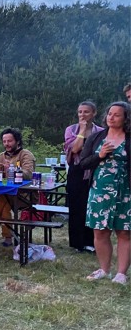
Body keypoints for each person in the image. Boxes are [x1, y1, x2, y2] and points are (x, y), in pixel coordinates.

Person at [80, 102, 131, 284]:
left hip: (125, 191)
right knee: (100, 231)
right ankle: (104, 270)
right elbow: (83, 163)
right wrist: (99, 155)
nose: (112, 117)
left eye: (117, 115)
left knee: (124, 232)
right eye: (110, 114)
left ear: (126, 118)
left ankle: (121, 274)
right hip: (100, 190)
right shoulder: (97, 137)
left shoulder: (129, 138)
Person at [64, 101, 103, 253]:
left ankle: (91, 242)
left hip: (94, 170)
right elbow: (75, 148)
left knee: (91, 206)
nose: (82, 115)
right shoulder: (71, 129)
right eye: (80, 112)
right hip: (76, 170)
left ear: (94, 113)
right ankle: (77, 243)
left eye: (86, 112)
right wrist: (82, 130)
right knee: (76, 206)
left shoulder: (100, 131)